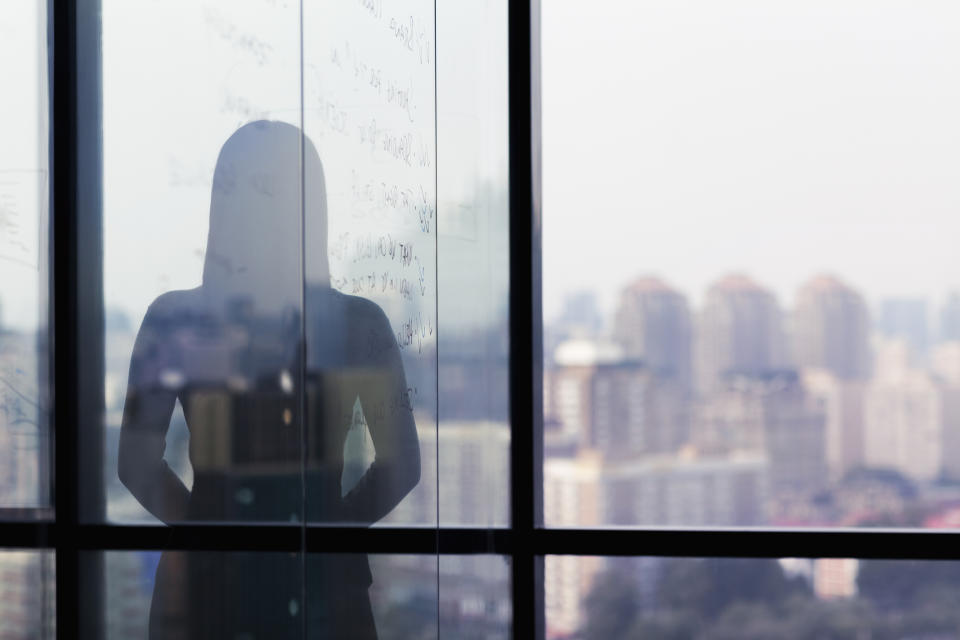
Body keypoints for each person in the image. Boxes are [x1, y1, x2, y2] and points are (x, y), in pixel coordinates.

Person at [118, 120, 420, 639]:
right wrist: (328, 531)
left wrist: (207, 530)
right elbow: (401, 466)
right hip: (322, 583)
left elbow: (135, 463)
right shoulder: (359, 323)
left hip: (210, 586)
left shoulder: (176, 318)